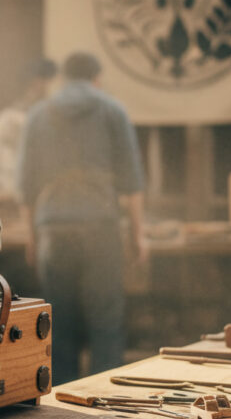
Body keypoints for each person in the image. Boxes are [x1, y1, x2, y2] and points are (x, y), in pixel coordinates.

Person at [18, 52, 145, 384]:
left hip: (52, 227)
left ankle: (62, 403)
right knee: (106, 321)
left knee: (59, 323)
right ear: (96, 78)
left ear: (64, 78)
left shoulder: (38, 114)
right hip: (100, 225)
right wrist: (138, 236)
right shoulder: (112, 110)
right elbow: (131, 182)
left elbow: (26, 186)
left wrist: (33, 237)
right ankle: (106, 402)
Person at [0, 58, 57, 204]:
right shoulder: (10, 118)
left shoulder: (46, 116)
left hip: (35, 192)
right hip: (10, 191)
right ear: (36, 83)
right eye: (48, 82)